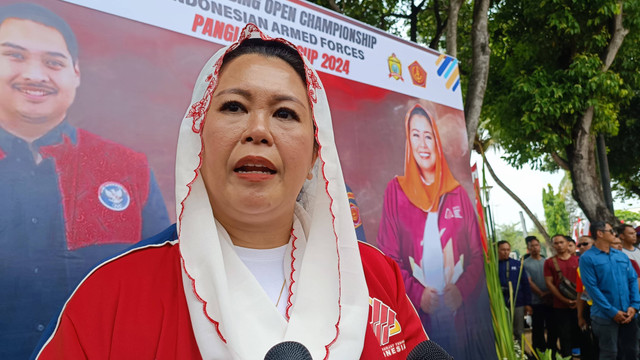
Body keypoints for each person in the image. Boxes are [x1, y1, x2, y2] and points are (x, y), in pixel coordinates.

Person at [34, 24, 428, 359]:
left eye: (285, 114)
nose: (258, 130)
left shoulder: (376, 277)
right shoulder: (112, 295)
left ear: (315, 154)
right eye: (234, 107)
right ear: (197, 139)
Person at [0, 4, 169, 358]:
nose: (35, 74)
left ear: (75, 73)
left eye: (53, 62)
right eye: (14, 55)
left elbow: (160, 283)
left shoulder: (126, 167)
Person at [376, 104, 493, 359]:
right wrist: (417, 294)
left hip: (460, 315)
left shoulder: (457, 194)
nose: (423, 144)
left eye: (428, 136)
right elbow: (387, 259)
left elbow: (476, 255)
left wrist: (460, 290)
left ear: (437, 141)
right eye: (415, 135)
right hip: (419, 318)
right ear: (409, 141)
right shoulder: (396, 192)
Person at [580, 221, 640, 360]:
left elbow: (632, 280)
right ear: (600, 234)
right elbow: (592, 289)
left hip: (629, 313)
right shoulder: (587, 258)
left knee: (632, 351)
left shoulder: (621, 256)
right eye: (611, 231)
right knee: (610, 354)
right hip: (604, 317)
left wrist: (635, 306)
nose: (614, 234)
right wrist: (612, 312)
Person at [544, 234, 580, 358]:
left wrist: (578, 300)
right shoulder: (549, 262)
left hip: (580, 304)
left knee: (582, 333)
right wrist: (565, 300)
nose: (559, 245)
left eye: (561, 242)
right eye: (556, 243)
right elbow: (549, 284)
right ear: (553, 245)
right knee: (564, 335)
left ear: (567, 243)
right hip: (560, 305)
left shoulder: (578, 260)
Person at [497, 240, 532, 343]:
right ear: (497, 250)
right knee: (504, 331)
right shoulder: (492, 266)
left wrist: (527, 303)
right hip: (500, 303)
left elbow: (525, 284)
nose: (505, 252)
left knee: (519, 331)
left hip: (518, 302)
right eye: (503, 249)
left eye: (508, 250)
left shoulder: (517, 264)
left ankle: (521, 355)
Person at [523, 235, 553, 353]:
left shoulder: (547, 261)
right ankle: (538, 351)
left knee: (551, 326)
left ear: (540, 246)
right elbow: (529, 282)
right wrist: (541, 294)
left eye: (536, 245)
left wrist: (549, 293)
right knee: (538, 327)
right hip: (536, 300)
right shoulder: (525, 263)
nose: (535, 248)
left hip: (550, 300)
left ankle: (551, 349)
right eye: (532, 246)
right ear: (528, 248)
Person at [575, 236, 598, 360]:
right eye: (579, 245)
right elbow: (580, 294)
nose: (581, 247)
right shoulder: (580, 268)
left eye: (585, 244)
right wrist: (580, 316)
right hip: (591, 309)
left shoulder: (607, 261)